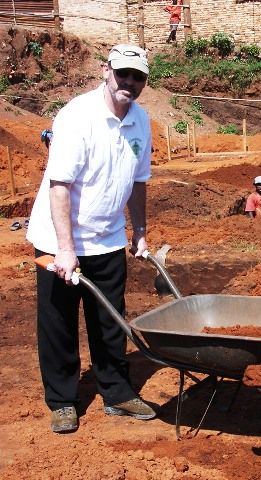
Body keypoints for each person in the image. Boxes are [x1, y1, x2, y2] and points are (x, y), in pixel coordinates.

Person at [26, 44, 156, 433]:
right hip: (59, 238)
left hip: (108, 237)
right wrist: (65, 250)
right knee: (58, 322)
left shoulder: (141, 120)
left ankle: (116, 392)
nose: (129, 82)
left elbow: (138, 181)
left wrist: (140, 231)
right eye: (123, 73)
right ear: (106, 71)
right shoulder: (77, 116)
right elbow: (59, 186)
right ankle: (63, 401)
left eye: (137, 77)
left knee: (109, 321)